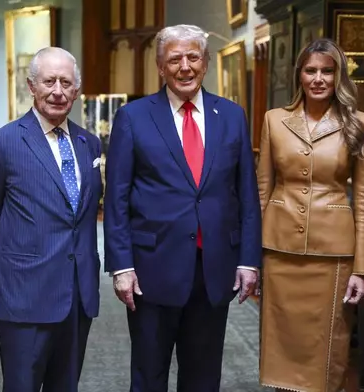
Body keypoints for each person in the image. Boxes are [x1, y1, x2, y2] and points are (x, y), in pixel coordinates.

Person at [104, 24, 262, 391]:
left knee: (204, 376)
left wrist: (248, 259)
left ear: (205, 62)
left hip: (214, 269)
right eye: (175, 59)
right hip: (150, 270)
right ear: (160, 67)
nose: (185, 66)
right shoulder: (134, 117)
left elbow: (247, 195)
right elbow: (117, 198)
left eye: (193, 57)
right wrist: (121, 266)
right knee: (149, 374)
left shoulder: (232, 116)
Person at [257, 38, 364, 392]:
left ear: (338, 76)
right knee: (282, 350)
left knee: (328, 353)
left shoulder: (359, 123)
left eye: (327, 71)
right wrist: (252, 257)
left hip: (333, 255)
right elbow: (263, 190)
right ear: (300, 75)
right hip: (279, 251)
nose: (318, 78)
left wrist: (362, 269)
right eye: (311, 70)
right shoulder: (274, 121)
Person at [0, 46, 102, 392]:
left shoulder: (88, 144)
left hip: (78, 293)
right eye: (49, 81)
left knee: (66, 385)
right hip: (24, 293)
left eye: (66, 83)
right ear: (31, 86)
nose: (58, 91)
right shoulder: (2, 144)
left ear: (77, 91)